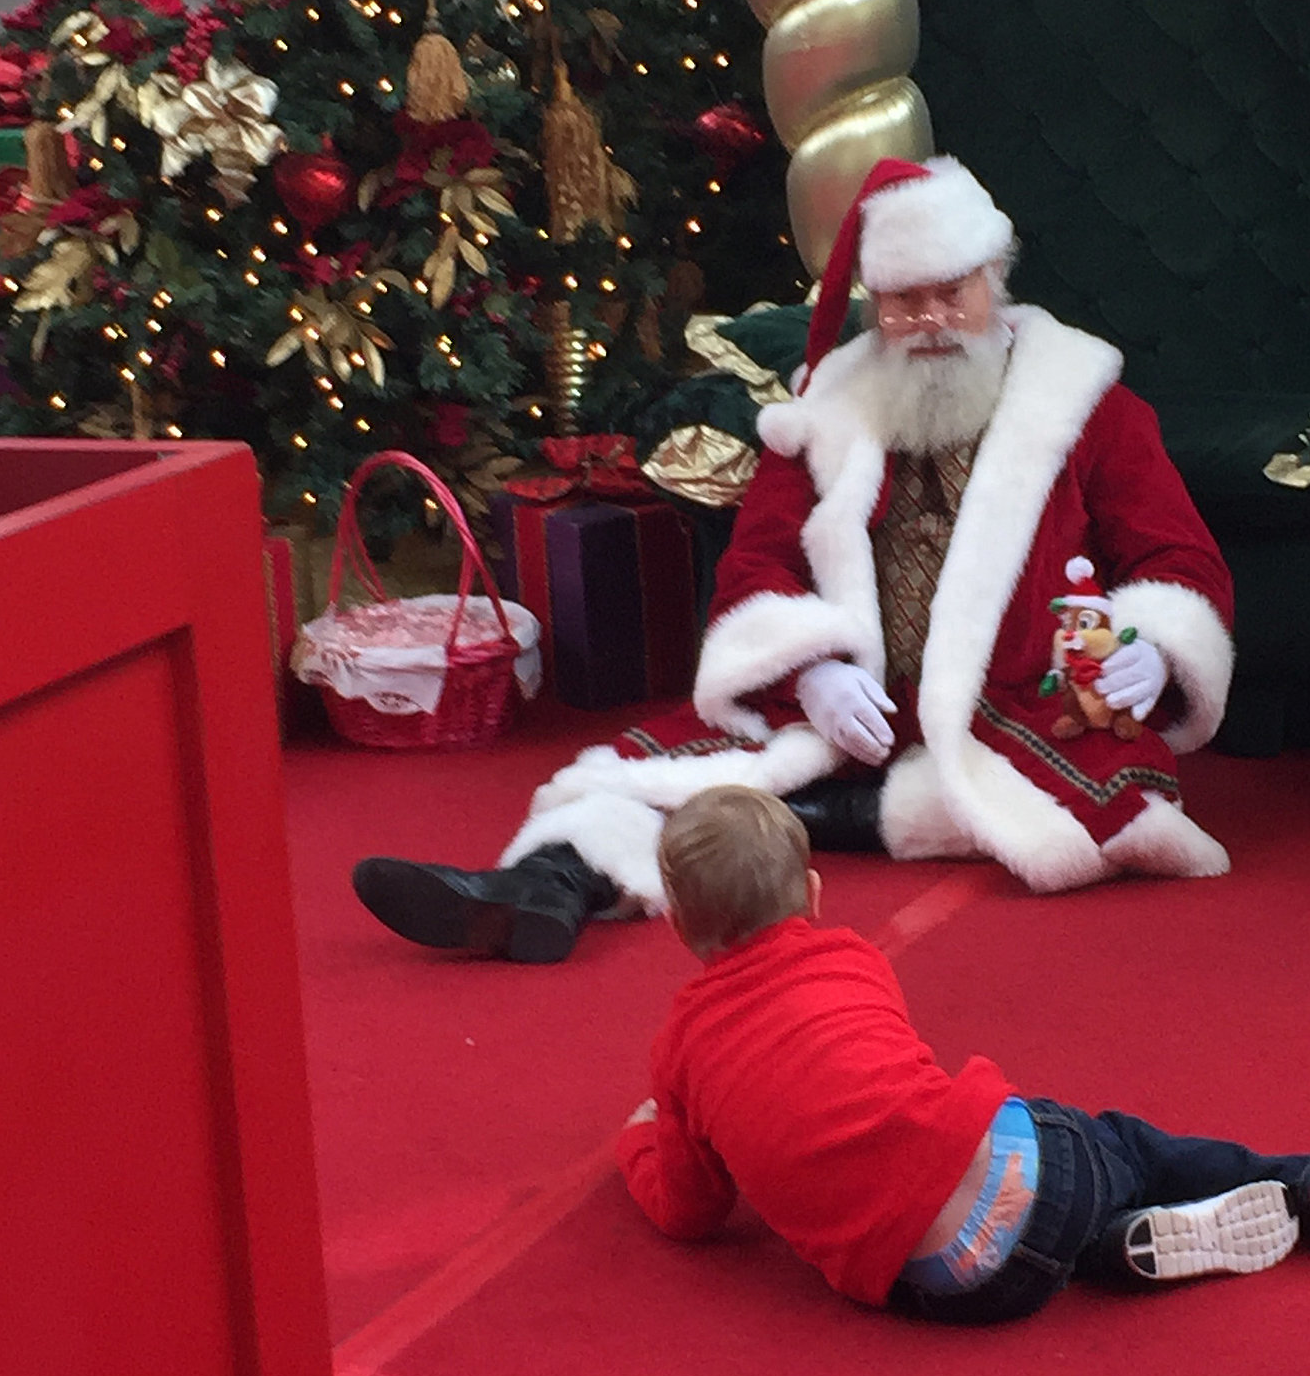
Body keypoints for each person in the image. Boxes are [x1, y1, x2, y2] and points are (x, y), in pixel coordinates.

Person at [355, 154, 1239, 964]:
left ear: (992, 284)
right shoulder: (830, 406)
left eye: (950, 294)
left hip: (1013, 709)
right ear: (875, 305)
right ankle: (542, 885)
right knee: (639, 767)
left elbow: (1177, 557)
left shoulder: (1088, 404)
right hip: (847, 714)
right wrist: (811, 667)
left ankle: (793, 821)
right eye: (902, 301)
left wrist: (1152, 647)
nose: (928, 321)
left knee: (1101, 799)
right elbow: (756, 564)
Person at [618, 787, 1310, 1323]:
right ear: (814, 894)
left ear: (678, 927)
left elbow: (692, 1213)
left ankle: (1123, 1247)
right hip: (1029, 1173)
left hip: (953, 1287)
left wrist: (640, 1144)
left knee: (1036, 1239)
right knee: (1123, 1144)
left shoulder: (680, 1049)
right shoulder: (851, 957)